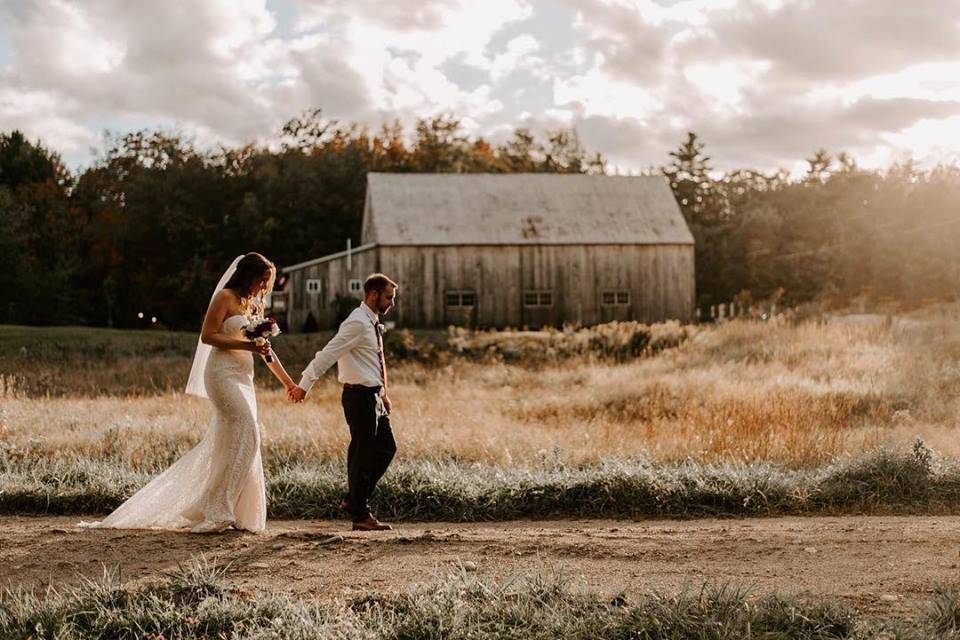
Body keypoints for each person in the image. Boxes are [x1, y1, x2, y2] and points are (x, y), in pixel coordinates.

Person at [81, 253, 298, 533]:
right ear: (249, 276)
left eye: (266, 283)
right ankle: (218, 510)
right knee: (249, 431)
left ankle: (230, 509)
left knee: (233, 441)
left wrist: (289, 384)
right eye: (261, 281)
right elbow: (208, 336)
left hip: (244, 378)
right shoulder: (225, 297)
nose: (263, 288)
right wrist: (247, 348)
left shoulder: (252, 305)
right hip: (221, 375)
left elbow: (266, 351)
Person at [288, 273, 398, 531]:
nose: (391, 303)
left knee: (386, 448)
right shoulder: (357, 323)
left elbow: (371, 363)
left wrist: (383, 395)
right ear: (373, 295)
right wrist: (304, 385)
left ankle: (354, 500)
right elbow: (327, 354)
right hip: (358, 397)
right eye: (388, 297)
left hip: (372, 396)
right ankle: (360, 513)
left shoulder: (371, 322)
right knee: (363, 452)